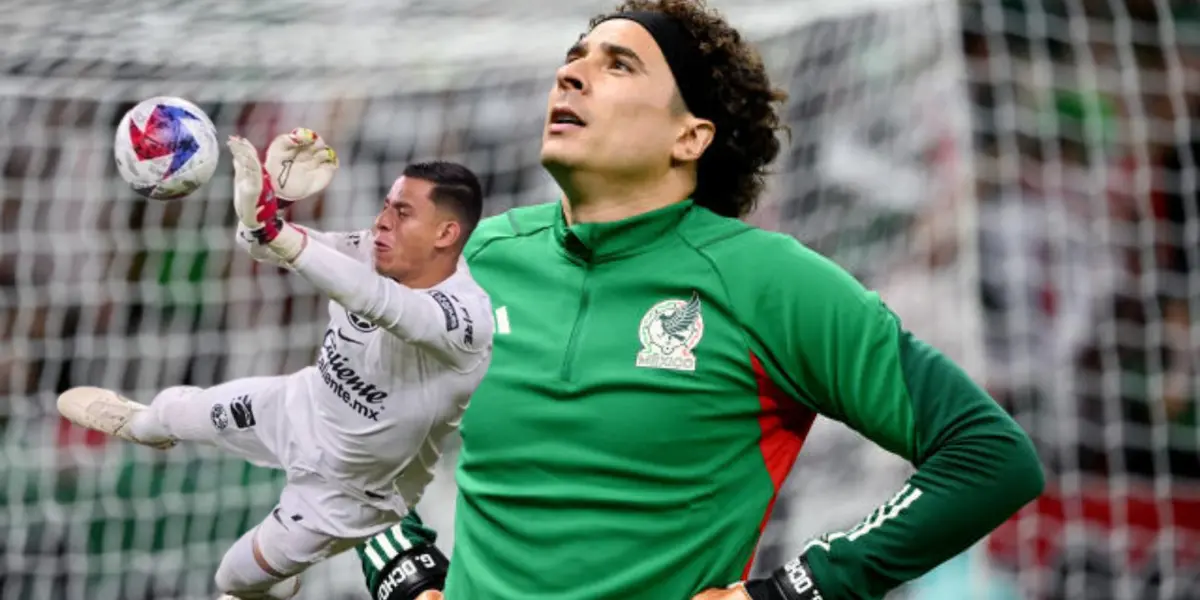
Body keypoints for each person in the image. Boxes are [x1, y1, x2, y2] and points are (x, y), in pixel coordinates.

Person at [351, 1, 1045, 599]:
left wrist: (802, 587)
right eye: (576, 57)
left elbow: (987, 455)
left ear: (692, 136)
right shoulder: (475, 258)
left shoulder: (768, 281)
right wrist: (405, 576)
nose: (571, 73)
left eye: (618, 65)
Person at [55, 130, 492, 599]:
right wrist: (267, 209)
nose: (382, 221)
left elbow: (380, 303)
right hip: (298, 405)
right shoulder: (368, 248)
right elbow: (263, 245)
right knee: (165, 417)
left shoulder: (464, 317)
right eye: (386, 204)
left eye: (402, 213)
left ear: (446, 234)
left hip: (351, 493)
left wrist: (277, 233)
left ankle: (277, 587)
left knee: (232, 579)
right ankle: (143, 426)